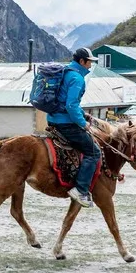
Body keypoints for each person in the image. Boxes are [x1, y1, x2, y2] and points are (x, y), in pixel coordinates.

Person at [46, 47, 100, 208]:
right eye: (89, 62)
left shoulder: (65, 72)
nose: (90, 65)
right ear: (82, 61)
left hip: (53, 119)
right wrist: (84, 124)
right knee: (93, 151)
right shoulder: (77, 78)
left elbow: (65, 102)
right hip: (66, 123)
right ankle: (81, 189)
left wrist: (83, 114)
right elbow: (70, 105)